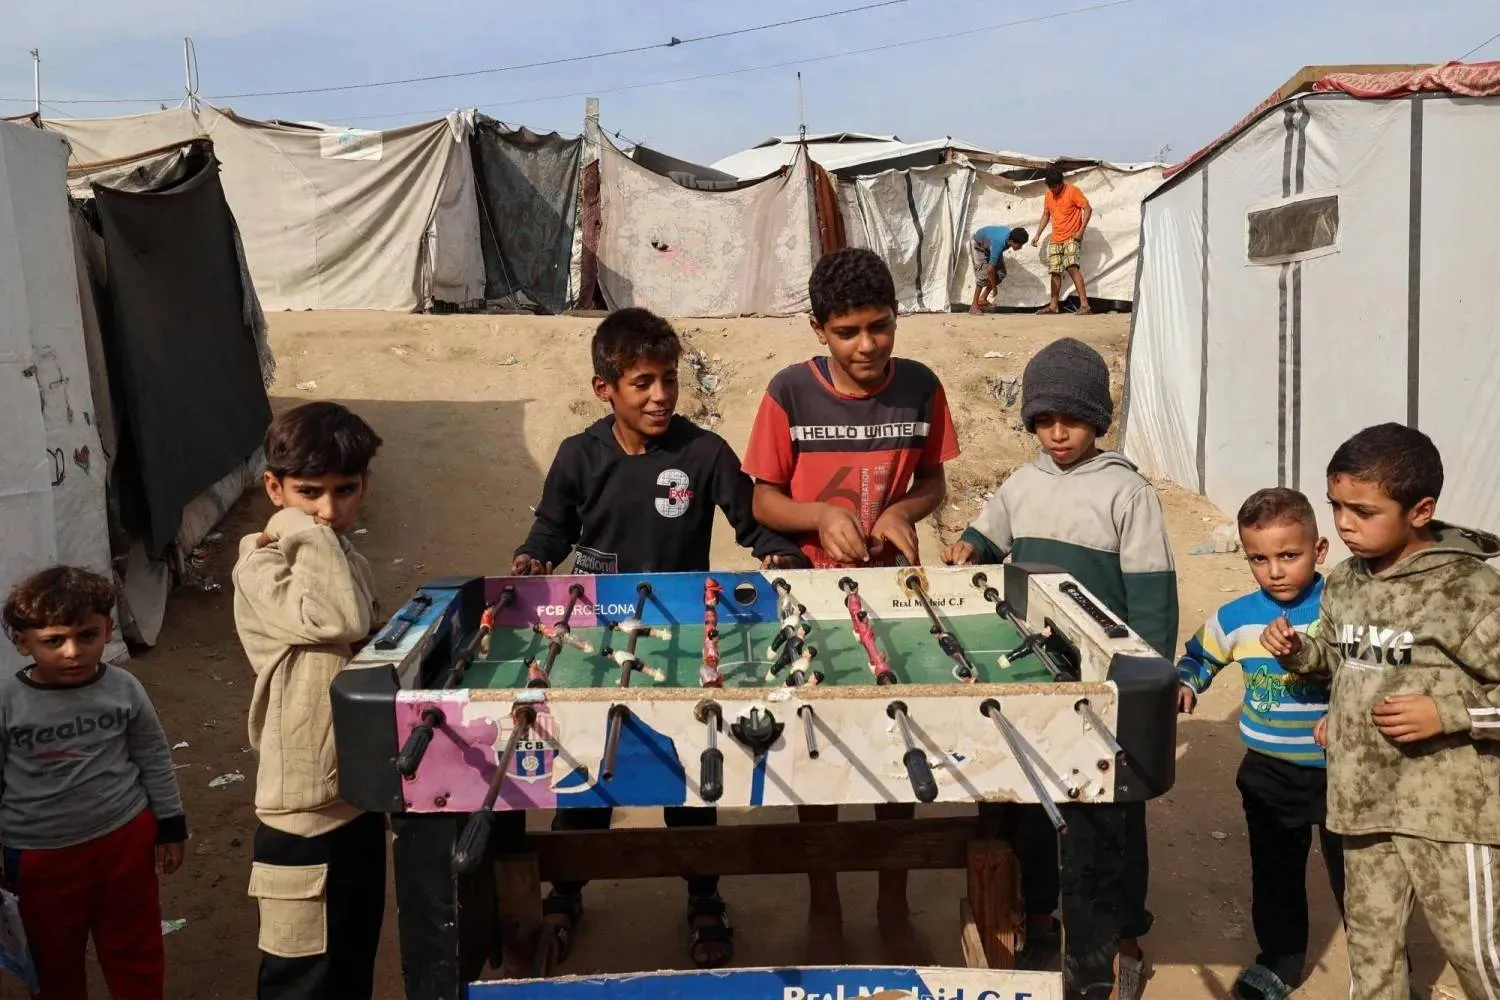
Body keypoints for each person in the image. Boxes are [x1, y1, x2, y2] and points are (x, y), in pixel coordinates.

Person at [512, 307, 804, 970]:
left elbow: (751, 522)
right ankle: (565, 893)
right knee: (586, 770)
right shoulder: (578, 456)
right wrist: (533, 558)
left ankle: (704, 898)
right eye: (642, 381)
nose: (660, 395)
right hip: (596, 642)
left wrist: (778, 554)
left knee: (686, 776)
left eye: (668, 378)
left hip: (681, 642)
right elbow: (550, 532)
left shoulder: (702, 454)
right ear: (604, 388)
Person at [941, 336, 1176, 1000]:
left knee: (1112, 810)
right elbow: (989, 533)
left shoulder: (1128, 494)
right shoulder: (1022, 483)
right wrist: (969, 545)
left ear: (1098, 418)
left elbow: (1154, 595)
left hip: (1107, 682)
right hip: (1036, 675)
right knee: (1038, 802)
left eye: (1070, 418)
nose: (1057, 432)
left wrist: (1149, 682)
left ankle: (1122, 937)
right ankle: (1040, 916)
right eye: (1044, 420)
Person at [743, 246, 960, 963]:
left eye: (880, 326)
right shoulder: (787, 393)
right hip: (809, 593)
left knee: (899, 745)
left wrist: (904, 510)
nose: (866, 345)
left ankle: (893, 903)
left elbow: (933, 482)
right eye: (848, 332)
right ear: (818, 330)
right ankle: (825, 902)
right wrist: (815, 517)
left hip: (894, 591)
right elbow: (762, 496)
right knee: (820, 750)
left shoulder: (922, 388)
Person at [1263, 423, 1500, 1000]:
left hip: (1449, 815)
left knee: (1480, 959)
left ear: (1420, 510)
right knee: (1371, 960)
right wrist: (1302, 654)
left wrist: (1449, 713)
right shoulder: (1345, 581)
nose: (1343, 524)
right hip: (1361, 805)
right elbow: (1347, 662)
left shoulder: (1468, 590)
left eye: (1363, 511)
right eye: (1336, 506)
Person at [233, 401, 387, 1000]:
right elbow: (341, 617)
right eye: (308, 493)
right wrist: (296, 528)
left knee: (351, 970)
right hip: (299, 816)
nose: (329, 509)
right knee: (301, 982)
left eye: (346, 490)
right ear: (274, 487)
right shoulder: (262, 566)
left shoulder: (346, 558)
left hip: (354, 802)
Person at [1177, 488, 1338, 1000]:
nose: (1274, 570)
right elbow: (1201, 656)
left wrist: (1344, 714)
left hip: (1346, 771)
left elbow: (1373, 672)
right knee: (1275, 875)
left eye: (1289, 555)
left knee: (1366, 880)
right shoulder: (1237, 617)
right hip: (1270, 771)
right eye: (1259, 558)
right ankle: (1280, 964)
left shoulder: (1344, 608)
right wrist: (1186, 682)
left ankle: (1388, 973)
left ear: (1320, 550)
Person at [0, 566, 187, 1000]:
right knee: (52, 960)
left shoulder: (123, 688)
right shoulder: (8, 703)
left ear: (107, 629)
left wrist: (170, 824)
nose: (73, 652)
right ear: (22, 642)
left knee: (135, 949)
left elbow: (153, 756)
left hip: (124, 841)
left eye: (87, 636)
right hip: (39, 856)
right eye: (53, 641)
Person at [1029, 165, 1092, 315]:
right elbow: (1046, 214)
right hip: (1056, 238)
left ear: (1060, 183)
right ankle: (1053, 306)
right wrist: (1038, 234)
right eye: (1049, 187)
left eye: (1054, 187)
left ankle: (1085, 305)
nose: (1052, 190)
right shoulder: (1048, 194)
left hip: (1071, 236)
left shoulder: (1073, 191)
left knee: (1072, 267)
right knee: (1055, 272)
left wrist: (1080, 231)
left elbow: (1088, 208)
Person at [969, 224, 1029, 315]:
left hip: (990, 246)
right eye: (1019, 245)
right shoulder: (999, 243)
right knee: (982, 276)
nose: (1020, 247)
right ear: (1011, 241)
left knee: (1001, 273)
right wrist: (994, 288)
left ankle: (982, 299)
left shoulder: (1008, 237)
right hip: (978, 245)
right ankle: (974, 306)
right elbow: (990, 270)